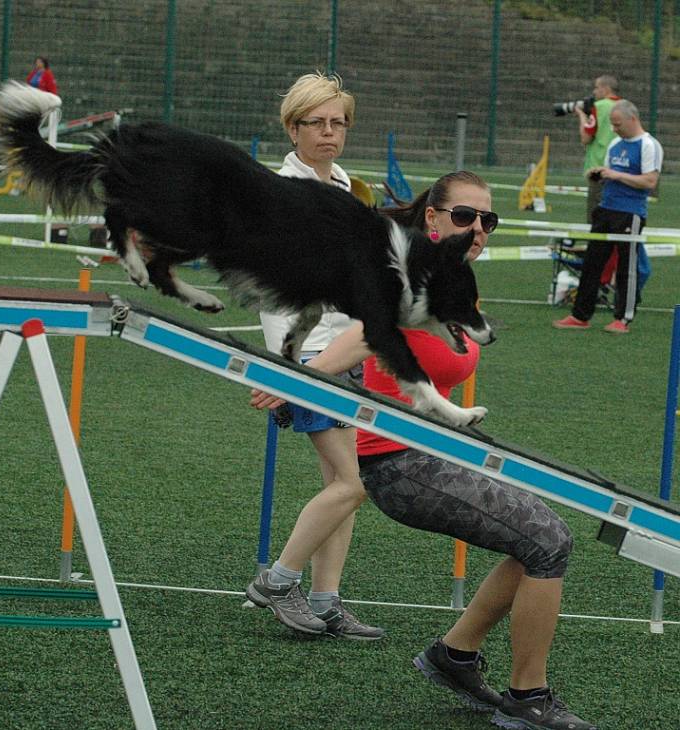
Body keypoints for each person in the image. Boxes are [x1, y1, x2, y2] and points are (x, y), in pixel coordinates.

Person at [253, 171, 598, 730]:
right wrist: (299, 377)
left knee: (540, 538)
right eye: (466, 217)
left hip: (429, 452)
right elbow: (366, 332)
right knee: (549, 541)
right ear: (433, 219)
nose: (479, 229)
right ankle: (527, 698)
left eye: (488, 220)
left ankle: (455, 656)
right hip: (401, 464)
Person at [244, 72, 384, 640]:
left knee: (339, 484)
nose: (329, 133)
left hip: (345, 350)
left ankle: (326, 600)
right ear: (292, 128)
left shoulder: (345, 185)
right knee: (353, 484)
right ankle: (278, 580)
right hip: (309, 359)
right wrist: (288, 369)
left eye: (337, 123)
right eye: (316, 123)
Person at [554, 99, 663, 334]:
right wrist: (600, 175)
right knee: (592, 263)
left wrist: (616, 174)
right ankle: (580, 315)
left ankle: (623, 318)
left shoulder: (648, 145)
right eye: (612, 124)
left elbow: (650, 181)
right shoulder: (615, 144)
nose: (614, 129)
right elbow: (611, 175)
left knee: (627, 267)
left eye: (617, 124)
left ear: (633, 119)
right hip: (606, 209)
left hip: (630, 213)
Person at [576, 74, 620, 220]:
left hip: (598, 167)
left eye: (596, 88)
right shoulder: (625, 106)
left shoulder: (599, 107)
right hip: (620, 167)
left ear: (605, 89)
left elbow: (586, 138)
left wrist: (582, 116)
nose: (594, 92)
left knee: (596, 214)